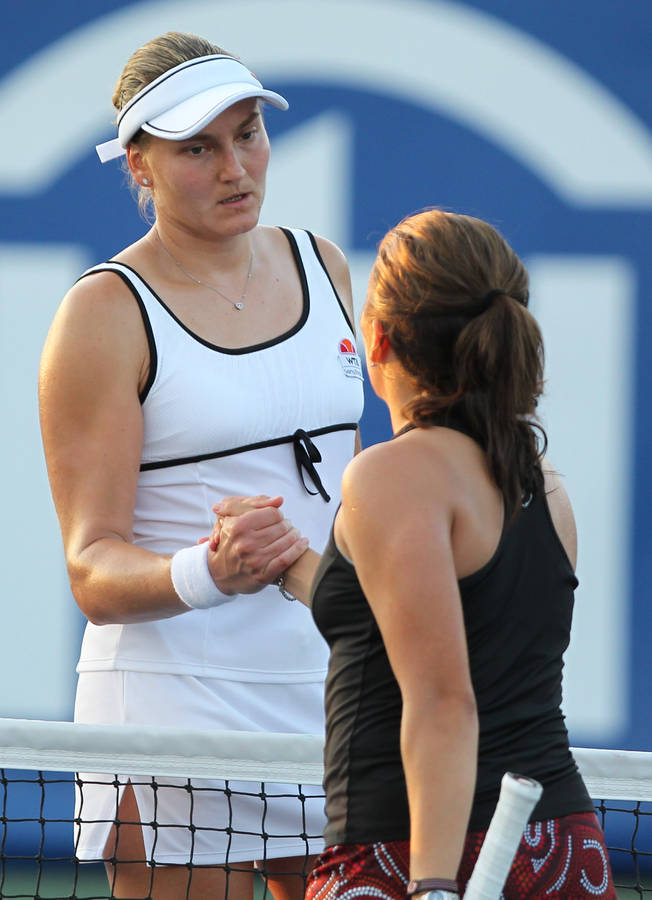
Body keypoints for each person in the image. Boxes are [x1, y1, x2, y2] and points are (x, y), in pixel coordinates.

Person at [38, 31, 364, 900]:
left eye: (248, 134)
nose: (235, 168)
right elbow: (91, 566)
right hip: (172, 712)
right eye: (197, 149)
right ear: (138, 164)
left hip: (329, 694)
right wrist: (210, 571)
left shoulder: (326, 265)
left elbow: (350, 493)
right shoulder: (102, 313)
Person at [219, 208, 617, 899]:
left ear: (375, 338)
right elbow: (426, 620)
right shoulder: (542, 480)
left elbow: (442, 701)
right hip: (561, 850)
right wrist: (287, 562)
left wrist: (432, 885)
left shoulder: (391, 477)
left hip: (407, 854)